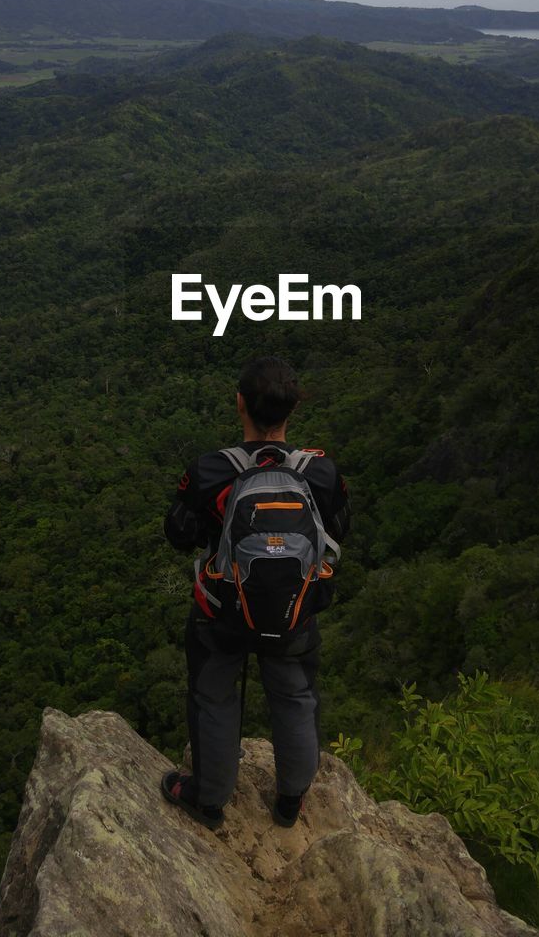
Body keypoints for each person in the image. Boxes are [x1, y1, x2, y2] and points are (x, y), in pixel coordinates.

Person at [161, 355, 350, 830]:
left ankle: (208, 799)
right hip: (293, 613)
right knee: (294, 696)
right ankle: (290, 802)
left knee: (214, 696)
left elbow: (178, 533)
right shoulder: (321, 473)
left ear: (239, 403)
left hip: (220, 611)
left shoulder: (209, 471)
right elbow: (339, 529)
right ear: (292, 411)